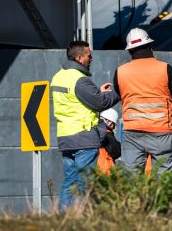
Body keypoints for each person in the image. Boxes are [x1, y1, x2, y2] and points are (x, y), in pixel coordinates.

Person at [113, 28, 172, 173]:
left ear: (130, 50)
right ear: (150, 47)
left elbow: (120, 93)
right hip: (161, 132)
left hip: (132, 133)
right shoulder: (165, 69)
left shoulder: (120, 72)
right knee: (163, 180)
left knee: (132, 180)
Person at [51, 40, 120, 206]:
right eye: (89, 55)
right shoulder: (80, 80)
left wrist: (97, 92)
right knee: (85, 181)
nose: (92, 58)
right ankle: (82, 216)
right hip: (83, 137)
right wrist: (119, 92)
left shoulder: (59, 76)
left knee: (70, 180)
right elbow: (100, 104)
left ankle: (64, 217)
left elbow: (76, 100)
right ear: (80, 58)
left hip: (66, 137)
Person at [96, 108, 122, 173]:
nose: (113, 128)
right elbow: (116, 152)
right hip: (105, 170)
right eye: (113, 125)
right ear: (109, 122)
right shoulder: (107, 135)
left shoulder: (92, 131)